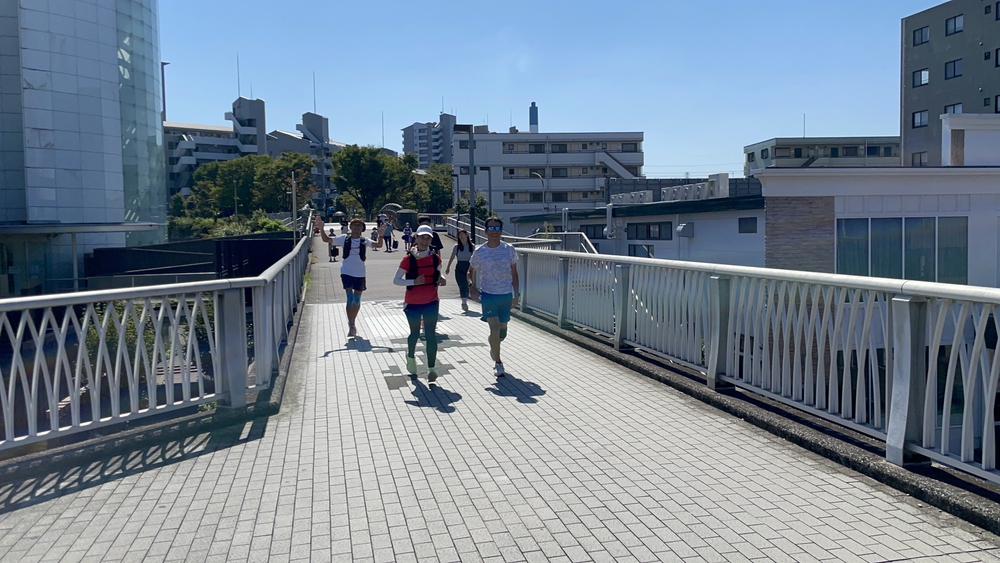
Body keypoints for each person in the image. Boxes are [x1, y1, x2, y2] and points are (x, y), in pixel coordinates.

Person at [393, 225, 447, 382]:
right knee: (415, 333)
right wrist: (413, 281)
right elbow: (396, 280)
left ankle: (431, 368)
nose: (425, 240)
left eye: (428, 238)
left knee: (431, 334)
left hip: (431, 301)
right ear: (416, 238)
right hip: (413, 303)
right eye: (422, 237)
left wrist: (442, 279)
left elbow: (439, 272)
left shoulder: (435, 257)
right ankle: (410, 356)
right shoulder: (408, 259)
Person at [468, 217, 520, 378]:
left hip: (505, 294)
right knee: (495, 328)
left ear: (501, 231)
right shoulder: (480, 251)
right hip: (488, 295)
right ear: (485, 231)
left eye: (497, 228)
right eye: (491, 228)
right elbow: (470, 273)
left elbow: (514, 273)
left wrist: (516, 294)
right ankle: (498, 363)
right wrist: (472, 287)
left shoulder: (509, 249)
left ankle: (493, 344)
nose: (494, 232)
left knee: (501, 332)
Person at [317, 217, 385, 337]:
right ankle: (352, 324)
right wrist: (321, 229)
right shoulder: (344, 239)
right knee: (350, 298)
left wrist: (381, 235)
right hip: (347, 272)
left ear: (362, 229)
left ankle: (352, 321)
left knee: (357, 299)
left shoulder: (364, 241)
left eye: (359, 226)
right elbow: (326, 239)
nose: (356, 228)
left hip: (360, 273)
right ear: (350, 227)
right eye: (354, 225)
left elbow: (378, 245)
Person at [445, 229, 474, 312]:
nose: (461, 236)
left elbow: (475, 258)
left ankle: (466, 299)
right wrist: (448, 267)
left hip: (469, 267)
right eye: (459, 235)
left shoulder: (472, 246)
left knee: (468, 285)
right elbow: (452, 257)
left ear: (466, 235)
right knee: (462, 285)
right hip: (460, 267)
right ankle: (464, 303)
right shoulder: (457, 247)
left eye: (462, 234)